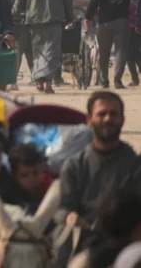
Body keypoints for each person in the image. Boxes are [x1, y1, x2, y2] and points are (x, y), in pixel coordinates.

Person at [59, 92, 141, 259]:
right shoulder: (75, 165)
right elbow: (63, 207)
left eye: (113, 114)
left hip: (127, 248)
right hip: (85, 244)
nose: (107, 119)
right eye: (101, 113)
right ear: (89, 120)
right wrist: (70, 216)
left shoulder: (135, 165)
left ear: (122, 120)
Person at [13, 0, 74, 94]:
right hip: (55, 18)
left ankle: (40, 81)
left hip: (34, 18)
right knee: (51, 51)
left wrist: (15, 12)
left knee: (38, 50)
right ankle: (46, 81)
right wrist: (69, 16)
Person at [86, 0, 140, 88]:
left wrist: (88, 17)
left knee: (104, 52)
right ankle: (117, 79)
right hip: (122, 20)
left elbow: (93, 2)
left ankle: (104, 80)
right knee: (121, 50)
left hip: (104, 21)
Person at [0, 0, 31, 86]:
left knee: (10, 48)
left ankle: (11, 79)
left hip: (8, 18)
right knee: (25, 48)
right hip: (27, 17)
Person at [8, 143, 50, 213]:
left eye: (35, 173)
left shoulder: (50, 186)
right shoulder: (11, 197)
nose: (31, 180)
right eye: (24, 175)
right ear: (15, 176)